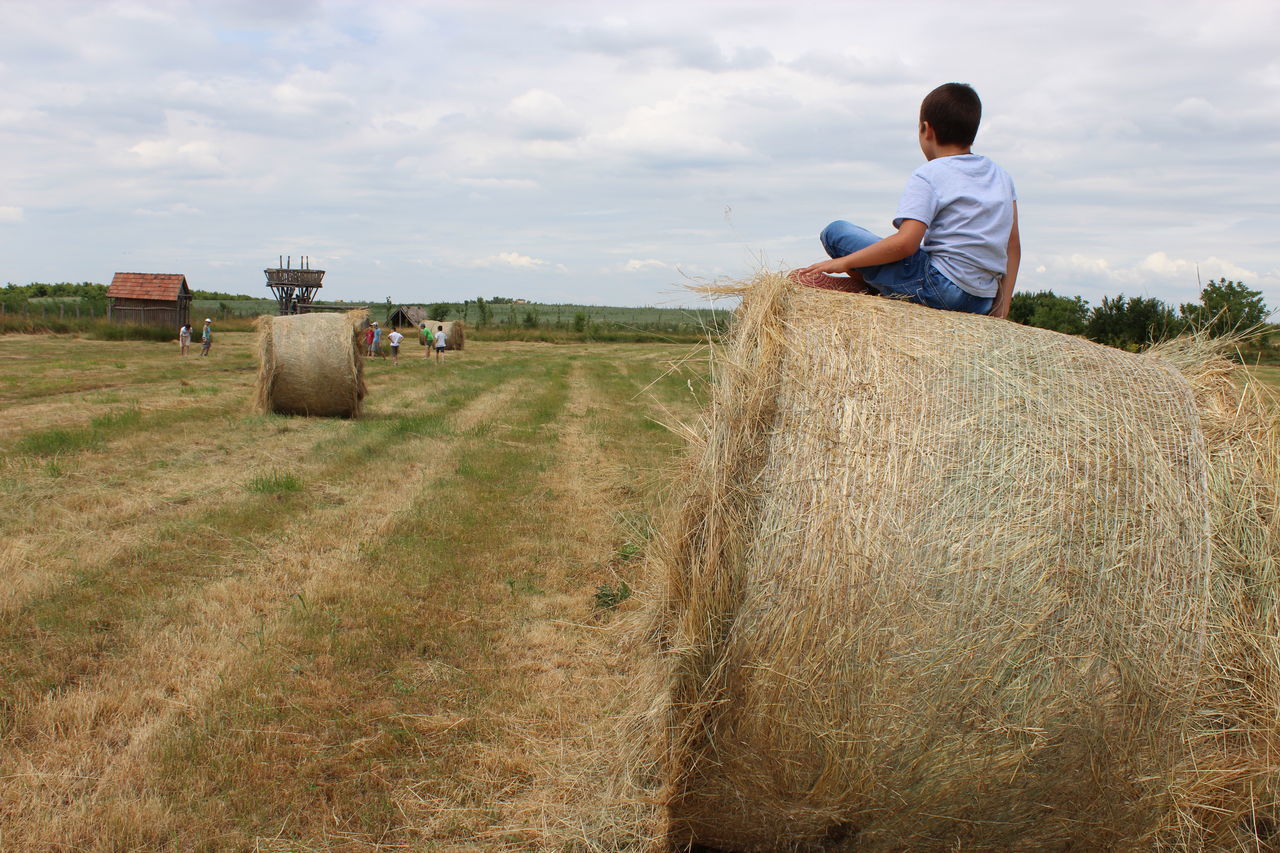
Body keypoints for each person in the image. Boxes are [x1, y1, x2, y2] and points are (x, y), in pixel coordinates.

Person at [796, 82, 1020, 319]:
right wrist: (1002, 307)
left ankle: (878, 289)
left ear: (926, 129)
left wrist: (843, 263)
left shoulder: (930, 174)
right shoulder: (1002, 177)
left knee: (836, 232)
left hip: (939, 289)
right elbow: (1012, 245)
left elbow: (905, 244)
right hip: (982, 299)